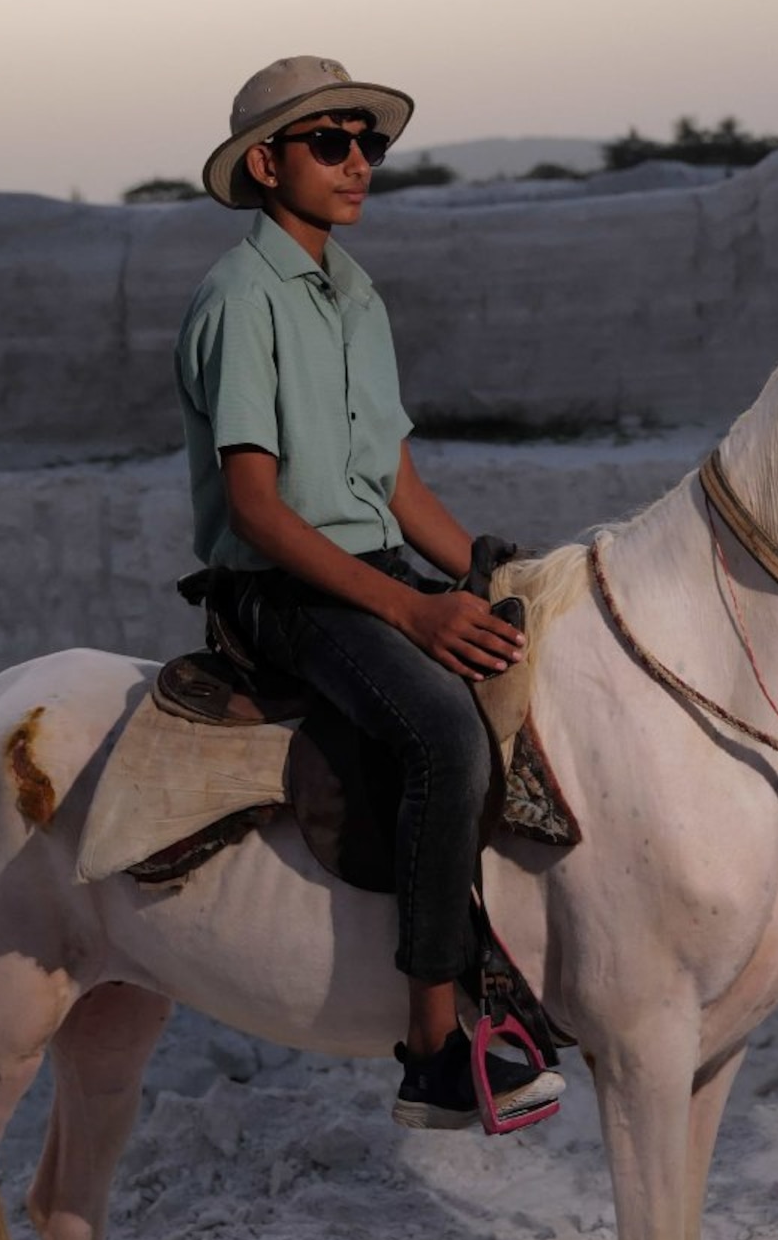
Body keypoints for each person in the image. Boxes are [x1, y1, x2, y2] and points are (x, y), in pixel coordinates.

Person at [173, 55, 562, 1130]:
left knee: (541, 663)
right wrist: (411, 610)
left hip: (373, 568)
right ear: (266, 162)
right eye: (331, 145)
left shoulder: (356, 295)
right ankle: (434, 1046)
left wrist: (487, 572)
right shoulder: (238, 299)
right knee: (441, 727)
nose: (359, 165)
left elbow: (396, 484)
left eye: (369, 144)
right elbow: (256, 509)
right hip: (280, 589)